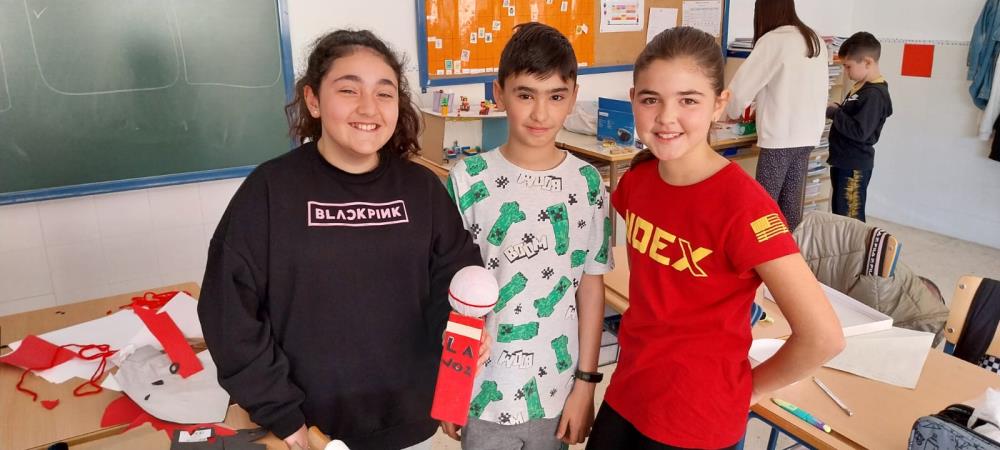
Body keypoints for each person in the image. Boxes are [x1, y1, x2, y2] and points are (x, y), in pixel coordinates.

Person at [197, 29, 483, 450]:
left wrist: (459, 345)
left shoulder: (421, 189)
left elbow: (457, 279)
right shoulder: (271, 191)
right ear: (313, 100)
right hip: (309, 430)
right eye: (349, 90)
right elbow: (229, 311)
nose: (368, 107)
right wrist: (280, 412)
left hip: (411, 421)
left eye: (384, 93)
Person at [586, 27, 845, 449]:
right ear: (633, 100)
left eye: (688, 100)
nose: (666, 117)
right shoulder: (637, 182)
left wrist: (750, 391)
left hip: (699, 418)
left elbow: (823, 337)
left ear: (719, 104)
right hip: (630, 393)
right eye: (651, 100)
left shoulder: (744, 207)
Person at [443, 22, 613, 449]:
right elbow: (450, 289)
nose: (541, 114)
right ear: (499, 94)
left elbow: (591, 286)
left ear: (573, 96)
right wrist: (450, 390)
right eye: (525, 95)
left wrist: (586, 384)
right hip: (481, 391)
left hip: (556, 392)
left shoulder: (588, 184)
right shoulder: (467, 178)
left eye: (556, 96)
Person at [725, 0, 829, 231]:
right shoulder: (814, 39)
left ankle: (762, 252)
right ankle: (789, 250)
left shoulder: (774, 40)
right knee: (790, 206)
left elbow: (740, 89)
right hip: (808, 135)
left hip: (781, 138)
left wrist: (730, 111)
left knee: (764, 206)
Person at [827, 32, 893, 221]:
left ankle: (853, 244)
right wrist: (839, 110)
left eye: (848, 66)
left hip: (854, 165)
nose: (846, 72)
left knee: (851, 219)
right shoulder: (861, 87)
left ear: (867, 62)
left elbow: (860, 131)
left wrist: (834, 113)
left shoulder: (874, 94)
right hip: (843, 161)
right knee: (841, 216)